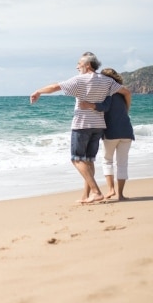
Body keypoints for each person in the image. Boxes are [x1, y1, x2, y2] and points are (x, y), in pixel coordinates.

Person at [29, 52, 124, 204]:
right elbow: (125, 91)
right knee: (88, 160)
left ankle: (96, 192)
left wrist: (38, 91)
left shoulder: (80, 80)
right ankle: (86, 196)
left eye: (79, 64)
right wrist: (124, 111)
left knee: (76, 159)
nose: (77, 66)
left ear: (87, 65)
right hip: (98, 125)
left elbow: (56, 87)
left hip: (82, 125)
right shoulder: (107, 81)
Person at [80, 68, 133, 201]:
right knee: (122, 163)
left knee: (107, 160)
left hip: (111, 132)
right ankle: (121, 195)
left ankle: (111, 190)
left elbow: (104, 107)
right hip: (127, 131)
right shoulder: (122, 93)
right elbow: (125, 105)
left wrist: (90, 105)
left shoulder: (105, 93)